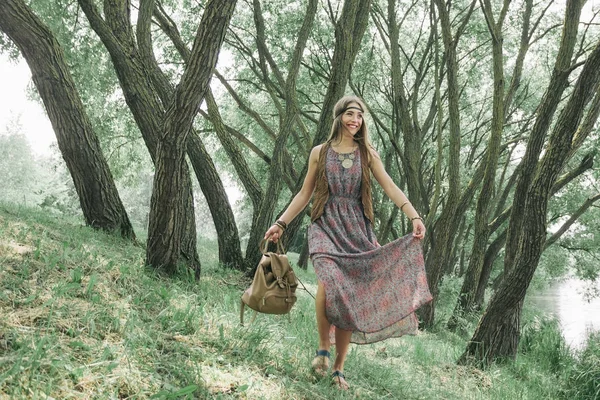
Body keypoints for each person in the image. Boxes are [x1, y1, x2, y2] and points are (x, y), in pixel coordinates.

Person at [263, 95, 432, 390]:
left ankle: (339, 368)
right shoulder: (320, 152)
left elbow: (390, 186)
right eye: (350, 114)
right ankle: (323, 349)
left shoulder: (367, 153)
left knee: (347, 295)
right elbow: (305, 194)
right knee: (329, 281)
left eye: (360, 116)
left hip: (356, 230)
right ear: (339, 116)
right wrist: (281, 222)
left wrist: (414, 215)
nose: (356, 120)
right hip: (325, 225)